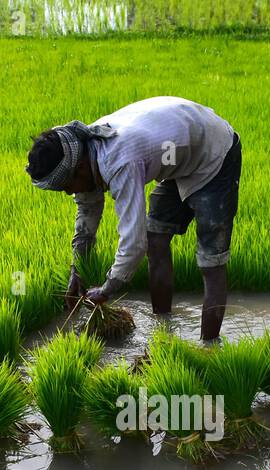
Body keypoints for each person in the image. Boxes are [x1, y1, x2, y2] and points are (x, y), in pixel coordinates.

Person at [25, 96, 241, 341]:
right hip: (176, 153)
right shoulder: (86, 149)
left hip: (213, 152)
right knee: (156, 239)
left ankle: (208, 348)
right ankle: (163, 330)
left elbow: (133, 244)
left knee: (210, 262)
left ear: (80, 168)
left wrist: (108, 289)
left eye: (66, 185)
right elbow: (87, 213)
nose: (67, 192)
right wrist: (78, 269)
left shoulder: (120, 162)